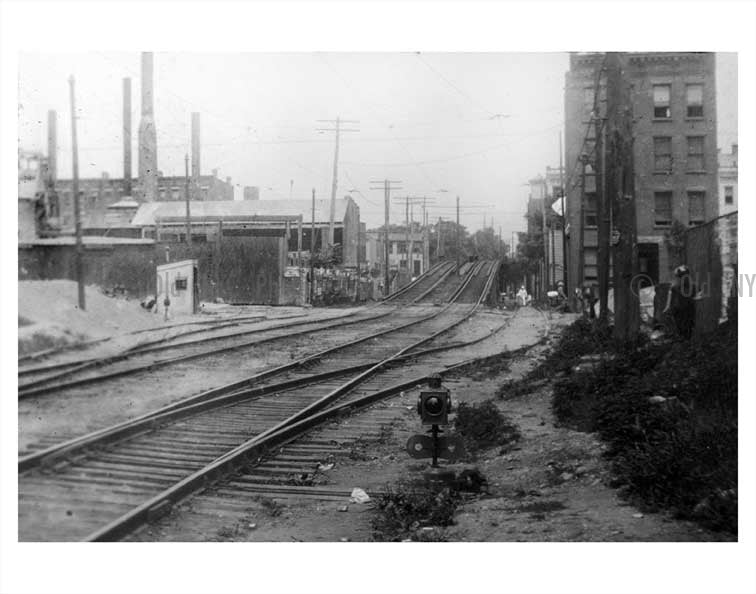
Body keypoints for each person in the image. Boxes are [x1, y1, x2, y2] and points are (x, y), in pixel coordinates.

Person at [663, 265, 697, 339]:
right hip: (679, 311)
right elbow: (671, 301)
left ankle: (685, 339)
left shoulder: (693, 286)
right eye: (680, 277)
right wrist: (668, 309)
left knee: (687, 328)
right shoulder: (674, 288)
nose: (682, 278)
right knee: (682, 328)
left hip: (688, 310)